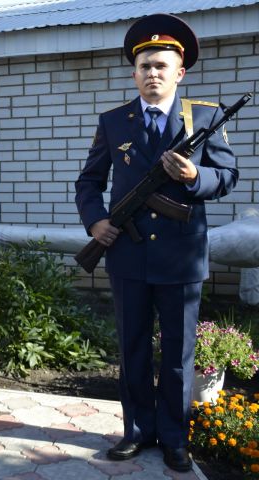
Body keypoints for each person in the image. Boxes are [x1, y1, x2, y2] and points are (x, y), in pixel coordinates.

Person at [75, 13, 238, 472]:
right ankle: (137, 431)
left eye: (161, 66)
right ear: (134, 72)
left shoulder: (203, 118)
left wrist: (195, 176)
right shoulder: (113, 122)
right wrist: (95, 224)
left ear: (179, 72)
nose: (152, 73)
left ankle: (173, 438)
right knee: (133, 349)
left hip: (181, 257)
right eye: (145, 65)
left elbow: (227, 176)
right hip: (126, 253)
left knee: (178, 356)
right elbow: (88, 183)